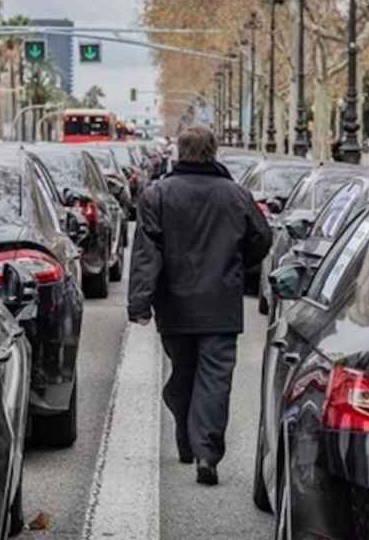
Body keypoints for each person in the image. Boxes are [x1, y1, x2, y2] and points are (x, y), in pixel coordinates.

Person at [128, 125, 272, 486]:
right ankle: (205, 450)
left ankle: (190, 436)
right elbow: (261, 239)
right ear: (214, 151)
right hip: (221, 304)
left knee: (184, 372)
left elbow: (147, 254)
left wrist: (140, 303)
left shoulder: (157, 194)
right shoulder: (236, 195)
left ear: (179, 152)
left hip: (174, 306)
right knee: (214, 380)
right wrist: (236, 264)